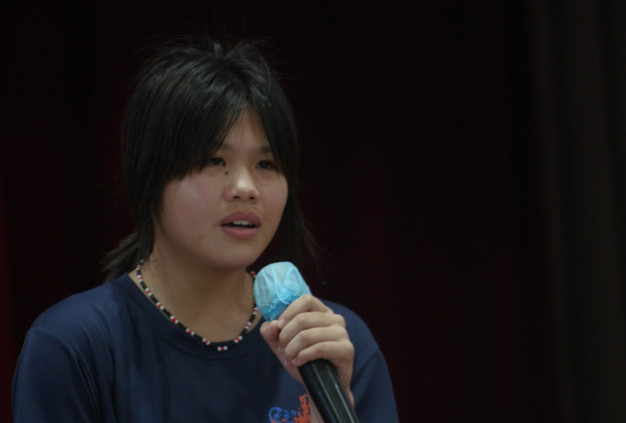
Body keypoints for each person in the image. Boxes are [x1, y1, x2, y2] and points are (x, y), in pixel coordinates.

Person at [11, 34, 398, 422]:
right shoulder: (72, 345)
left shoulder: (332, 346)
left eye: (266, 164)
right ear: (150, 174)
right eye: (214, 160)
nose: (245, 188)